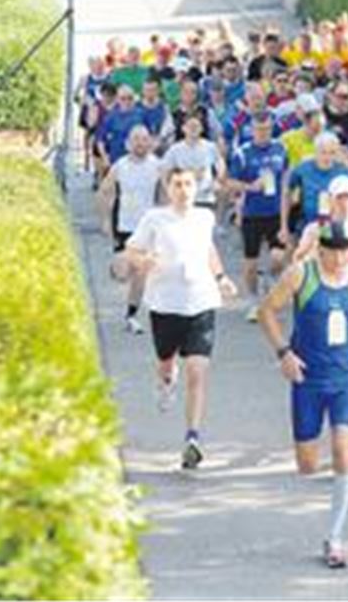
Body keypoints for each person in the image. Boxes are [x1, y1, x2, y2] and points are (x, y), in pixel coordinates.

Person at [258, 220, 348, 569]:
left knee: (344, 449)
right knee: (307, 465)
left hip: (345, 379)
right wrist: (283, 353)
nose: (338, 258)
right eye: (332, 251)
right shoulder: (300, 275)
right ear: (320, 249)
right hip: (307, 378)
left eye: (344, 251)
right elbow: (266, 311)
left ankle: (335, 537)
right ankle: (331, 471)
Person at [124, 168, 238, 469]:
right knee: (166, 363)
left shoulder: (204, 218)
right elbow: (131, 250)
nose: (184, 190)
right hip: (165, 304)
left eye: (188, 184)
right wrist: (143, 260)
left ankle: (192, 438)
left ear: (196, 187)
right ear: (168, 187)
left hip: (201, 302)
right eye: (177, 184)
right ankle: (165, 381)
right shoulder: (154, 218)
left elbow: (208, 249)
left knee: (197, 372)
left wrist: (222, 277)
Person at [97, 125, 162, 334]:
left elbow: (166, 195)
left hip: (149, 227)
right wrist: (106, 220)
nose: (140, 143)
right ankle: (117, 268)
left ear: (150, 143)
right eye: (136, 139)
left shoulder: (157, 165)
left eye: (144, 139)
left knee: (141, 273)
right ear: (128, 143)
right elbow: (105, 192)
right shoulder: (120, 166)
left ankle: (131, 315)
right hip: (125, 225)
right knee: (125, 273)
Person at [227, 112, 289, 321]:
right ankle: (254, 301)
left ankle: (270, 277)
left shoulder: (280, 149)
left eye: (267, 129)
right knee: (250, 264)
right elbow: (229, 182)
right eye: (259, 130)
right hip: (252, 214)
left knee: (279, 258)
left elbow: (287, 177)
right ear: (252, 130)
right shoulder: (242, 153)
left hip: (275, 212)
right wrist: (249, 187)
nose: (263, 133)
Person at [282, 132, 348, 244]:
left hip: (334, 227)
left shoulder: (344, 171)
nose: (327, 157)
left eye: (332, 153)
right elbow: (287, 191)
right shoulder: (303, 168)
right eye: (323, 152)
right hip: (307, 225)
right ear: (315, 152)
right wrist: (284, 226)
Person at [162, 114, 224, 211]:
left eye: (196, 126)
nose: (193, 129)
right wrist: (169, 191)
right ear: (183, 128)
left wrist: (218, 180)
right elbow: (164, 171)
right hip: (183, 198)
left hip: (205, 198)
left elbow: (220, 164)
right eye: (190, 126)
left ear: (201, 129)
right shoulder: (175, 149)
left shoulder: (210, 147)